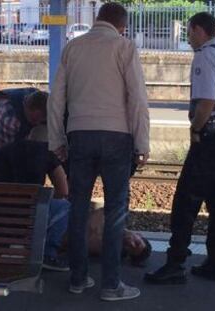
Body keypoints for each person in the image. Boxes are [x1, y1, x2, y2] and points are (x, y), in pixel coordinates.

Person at [47, 2, 149, 300]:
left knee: (78, 207)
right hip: (117, 136)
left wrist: (56, 141)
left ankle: (78, 279)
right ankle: (111, 285)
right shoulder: (124, 47)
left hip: (79, 134)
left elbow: (56, 100)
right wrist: (142, 142)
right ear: (121, 26)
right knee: (116, 209)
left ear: (97, 20)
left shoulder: (73, 48)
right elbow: (138, 99)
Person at [145, 12, 215, 284]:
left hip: (209, 138)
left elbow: (206, 102)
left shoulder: (205, 56)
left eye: (189, 32)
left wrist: (196, 130)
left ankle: (175, 262)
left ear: (200, 31)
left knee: (186, 200)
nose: (188, 38)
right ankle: (214, 261)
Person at [0, 125, 70, 272]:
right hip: (29, 219)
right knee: (65, 206)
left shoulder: (5, 150)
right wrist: (45, 198)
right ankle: (48, 254)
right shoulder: (47, 153)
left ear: (30, 135)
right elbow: (63, 190)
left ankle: (0, 246)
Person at [0, 88, 48, 172]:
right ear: (28, 109)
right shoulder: (9, 119)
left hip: (6, 127)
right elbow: (8, 154)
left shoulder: (41, 101)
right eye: (34, 120)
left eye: (42, 121)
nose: (37, 124)